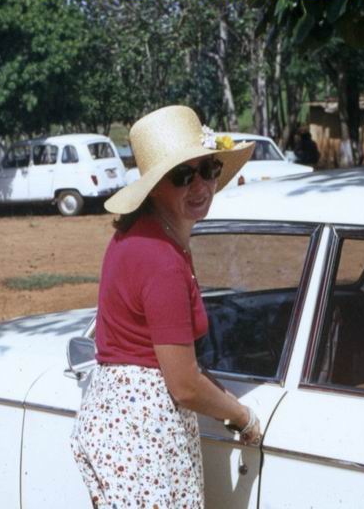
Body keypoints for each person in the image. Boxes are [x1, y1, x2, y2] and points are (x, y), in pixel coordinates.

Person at [70, 105, 261, 508]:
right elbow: (184, 385)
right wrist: (242, 417)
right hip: (144, 435)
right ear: (155, 186)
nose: (200, 185)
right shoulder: (161, 259)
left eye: (208, 169)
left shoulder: (143, 237)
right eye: (182, 176)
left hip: (119, 425)